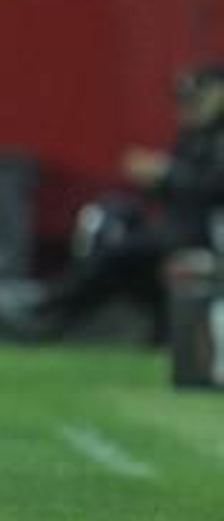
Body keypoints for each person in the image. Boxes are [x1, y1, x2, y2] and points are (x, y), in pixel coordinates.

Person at [30, 64, 224, 344]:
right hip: (176, 230)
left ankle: (51, 309)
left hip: (205, 234)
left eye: (199, 96)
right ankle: (56, 313)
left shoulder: (216, 137)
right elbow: (179, 191)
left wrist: (166, 173)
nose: (189, 105)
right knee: (117, 239)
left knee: (119, 256)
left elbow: (212, 186)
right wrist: (154, 179)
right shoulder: (195, 135)